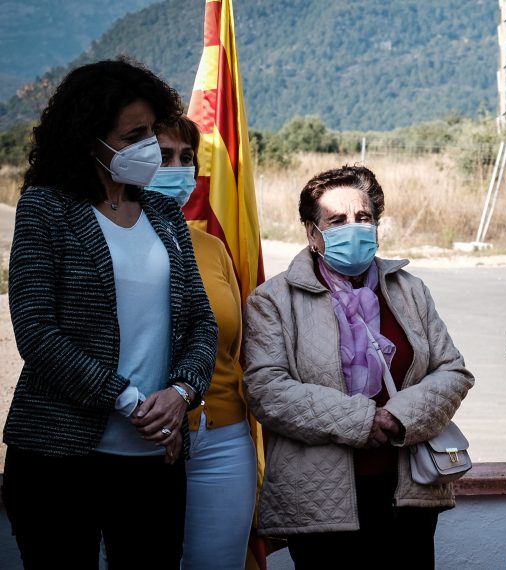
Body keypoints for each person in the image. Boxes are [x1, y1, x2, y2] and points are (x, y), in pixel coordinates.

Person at [2, 59, 217, 568]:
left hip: (155, 458)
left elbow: (201, 323)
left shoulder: (165, 215)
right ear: (89, 139)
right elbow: (36, 329)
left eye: (151, 131)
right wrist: (127, 399)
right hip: (58, 456)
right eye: (133, 136)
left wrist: (182, 392)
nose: (149, 147)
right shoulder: (46, 208)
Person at [242, 165, 474, 569]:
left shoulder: (409, 290)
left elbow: (452, 371)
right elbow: (266, 390)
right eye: (336, 220)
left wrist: (398, 418)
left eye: (363, 217)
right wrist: (361, 421)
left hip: (409, 493)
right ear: (312, 233)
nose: (354, 228)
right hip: (319, 501)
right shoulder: (273, 300)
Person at [152, 115, 256, 570]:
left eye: (186, 158)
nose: (178, 170)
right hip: (146, 436)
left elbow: (233, 345)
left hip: (226, 440)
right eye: (163, 157)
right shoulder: (107, 243)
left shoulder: (212, 248)